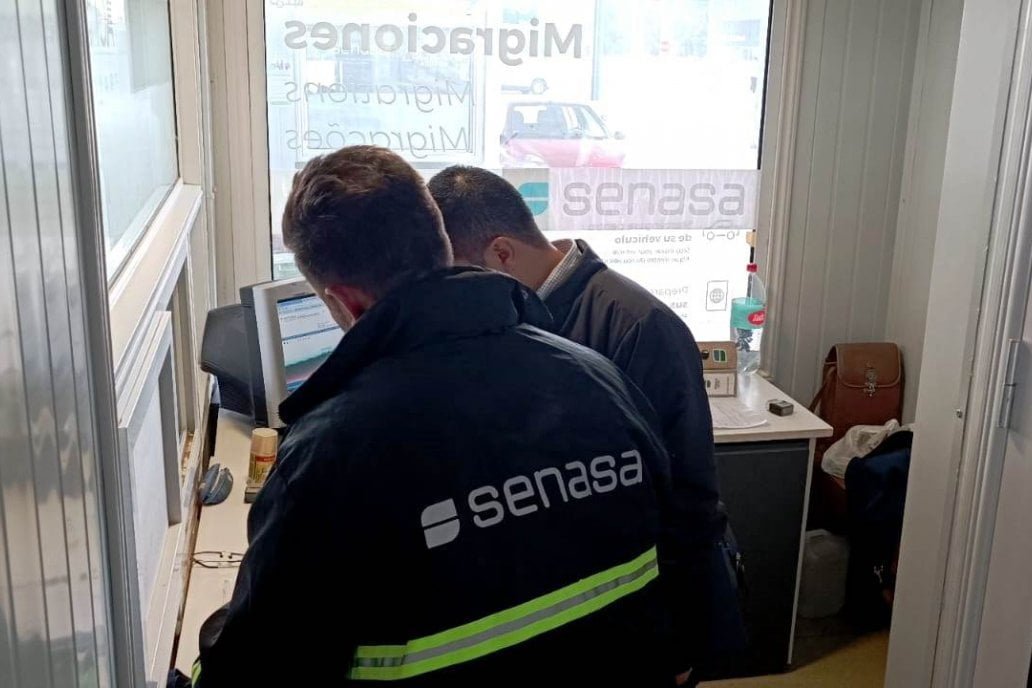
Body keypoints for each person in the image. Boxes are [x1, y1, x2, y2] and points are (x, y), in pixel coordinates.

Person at [190, 146, 698, 687]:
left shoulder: (330, 455)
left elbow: (255, 668)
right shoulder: (600, 379)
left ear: (343, 304)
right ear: (441, 244)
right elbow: (676, 549)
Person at [429, 166, 747, 682]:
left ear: (502, 253)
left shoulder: (639, 325)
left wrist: (679, 639)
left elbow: (687, 493)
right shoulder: (513, 317)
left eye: (460, 274)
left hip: (646, 610)